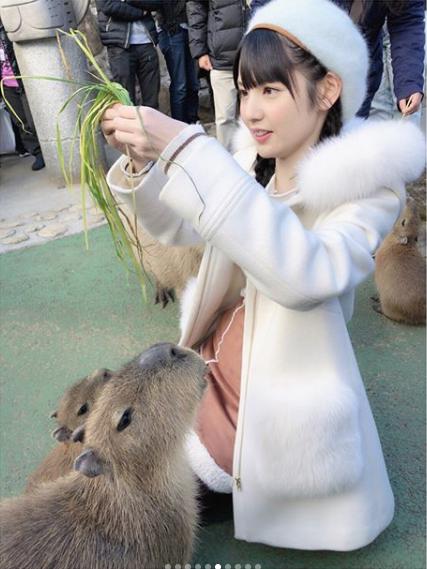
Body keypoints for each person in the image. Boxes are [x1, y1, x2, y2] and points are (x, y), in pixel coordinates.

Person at [101, 0, 425, 551]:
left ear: (327, 92)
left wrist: (192, 151)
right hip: (208, 374)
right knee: (104, 456)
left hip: (267, 414)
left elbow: (307, 274)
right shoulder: (253, 163)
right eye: (247, 89)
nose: (250, 110)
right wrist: (143, 164)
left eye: (270, 91)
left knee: (128, 504)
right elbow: (181, 229)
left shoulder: (368, 188)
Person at [251, 0, 425, 119]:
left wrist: (409, 82)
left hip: (356, 78)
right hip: (297, 70)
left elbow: (406, 20)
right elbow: (265, 8)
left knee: (343, 152)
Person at [186, 0, 250, 149]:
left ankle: (258, 162)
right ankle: (228, 163)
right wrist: (200, 51)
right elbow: (196, 7)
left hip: (256, 54)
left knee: (258, 114)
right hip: (222, 58)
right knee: (225, 119)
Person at [95, 0, 160, 108]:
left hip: (147, 42)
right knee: (126, 102)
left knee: (152, 103)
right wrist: (141, 12)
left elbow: (156, 3)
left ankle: (150, 125)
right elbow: (109, 6)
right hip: (119, 47)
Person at [0, 21, 45, 170]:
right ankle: (37, 153)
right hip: (5, 84)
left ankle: (48, 148)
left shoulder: (8, 26)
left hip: (22, 77)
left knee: (34, 118)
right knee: (20, 120)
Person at [156, 0, 200, 124]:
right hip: (172, 30)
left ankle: (193, 123)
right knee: (180, 85)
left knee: (194, 83)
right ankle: (179, 127)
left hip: (191, 29)